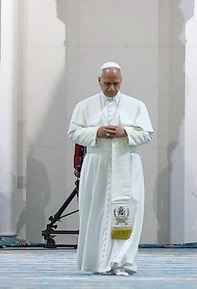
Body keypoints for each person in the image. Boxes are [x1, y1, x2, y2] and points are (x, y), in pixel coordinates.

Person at [68, 61, 154, 275]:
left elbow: (147, 133)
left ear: (121, 81)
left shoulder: (136, 105)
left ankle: (121, 261)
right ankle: (95, 261)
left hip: (127, 164)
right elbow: (73, 133)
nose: (112, 89)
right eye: (107, 84)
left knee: (126, 212)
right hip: (97, 165)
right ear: (99, 81)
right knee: (95, 211)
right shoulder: (84, 106)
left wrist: (126, 132)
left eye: (116, 84)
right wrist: (96, 132)